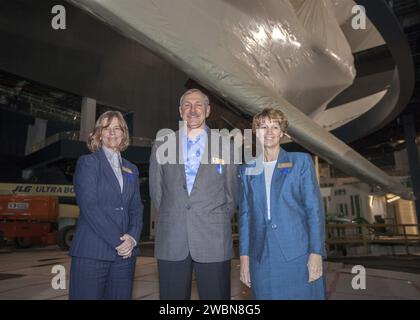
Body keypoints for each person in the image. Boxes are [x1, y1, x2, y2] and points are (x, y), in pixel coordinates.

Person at [149, 89, 238, 300]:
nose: (193, 109)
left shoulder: (226, 146)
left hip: (213, 239)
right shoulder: (162, 145)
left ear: (208, 110)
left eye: (198, 105)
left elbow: (232, 194)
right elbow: (157, 193)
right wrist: (176, 217)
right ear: (180, 111)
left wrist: (213, 219)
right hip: (172, 239)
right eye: (187, 105)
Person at [239, 107, 326, 300]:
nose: (269, 132)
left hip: (297, 254)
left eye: (275, 126)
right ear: (256, 132)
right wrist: (244, 259)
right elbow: (245, 218)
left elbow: (314, 210)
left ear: (282, 132)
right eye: (263, 127)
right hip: (260, 257)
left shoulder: (301, 162)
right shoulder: (248, 169)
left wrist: (316, 252)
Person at [69, 111, 143, 300]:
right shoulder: (88, 163)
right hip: (92, 252)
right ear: (98, 133)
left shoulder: (131, 169)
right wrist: (119, 242)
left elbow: (136, 208)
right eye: (106, 128)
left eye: (117, 128)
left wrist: (132, 239)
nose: (112, 132)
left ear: (123, 133)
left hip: (125, 257)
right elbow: (89, 206)